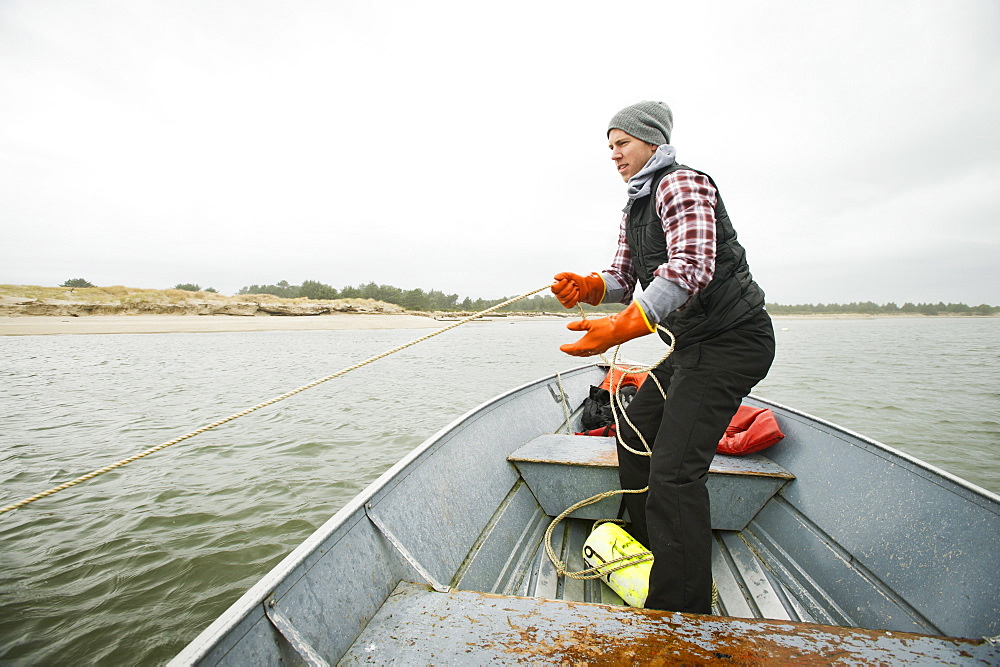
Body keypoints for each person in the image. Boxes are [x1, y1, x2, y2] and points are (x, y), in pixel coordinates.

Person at [552, 100, 775, 614]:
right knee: (635, 428)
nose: (614, 155)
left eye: (622, 143)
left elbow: (692, 267)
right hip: (692, 346)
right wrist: (588, 287)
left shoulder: (682, 184)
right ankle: (653, 543)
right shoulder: (636, 204)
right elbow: (622, 276)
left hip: (734, 342)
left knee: (675, 474)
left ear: (652, 142)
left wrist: (621, 327)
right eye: (609, 147)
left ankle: (679, 610)